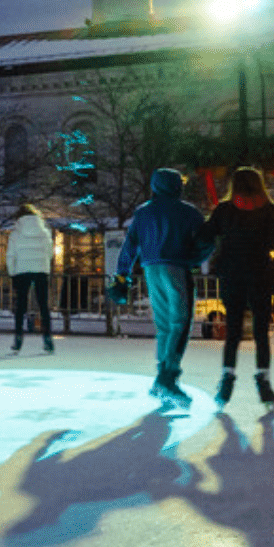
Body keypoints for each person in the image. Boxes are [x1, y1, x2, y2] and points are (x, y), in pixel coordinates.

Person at [113, 168, 214, 413]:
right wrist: (193, 259)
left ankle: (162, 374)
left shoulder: (143, 212)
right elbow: (207, 240)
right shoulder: (188, 212)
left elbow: (130, 246)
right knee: (180, 322)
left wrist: (121, 275)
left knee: (165, 325)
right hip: (177, 268)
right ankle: (168, 378)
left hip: (151, 268)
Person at [196, 167, 274, 406]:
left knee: (233, 330)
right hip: (261, 275)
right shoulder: (270, 211)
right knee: (261, 332)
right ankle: (264, 383)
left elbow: (205, 234)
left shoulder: (225, 210)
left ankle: (226, 381)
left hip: (232, 276)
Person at [6, 203, 55, 355]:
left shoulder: (16, 233)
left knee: (21, 306)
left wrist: (12, 272)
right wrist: (44, 266)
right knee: (43, 306)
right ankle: (48, 339)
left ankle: (18, 339)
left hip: (22, 272)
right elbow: (50, 253)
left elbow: (10, 255)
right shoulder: (45, 232)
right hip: (41, 271)